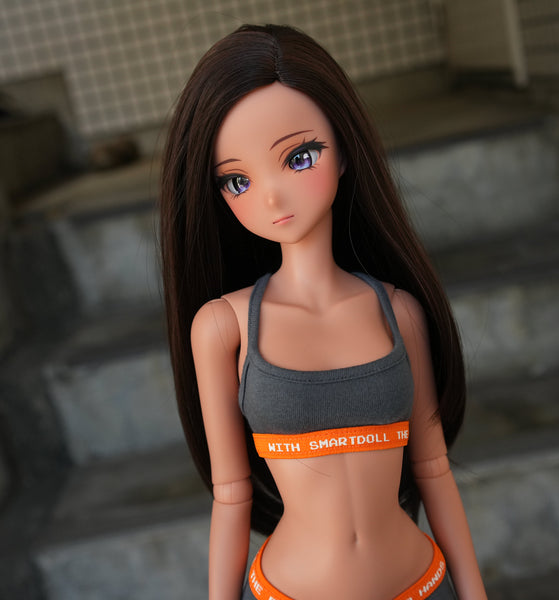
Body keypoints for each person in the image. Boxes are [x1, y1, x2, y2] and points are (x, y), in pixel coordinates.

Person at [160, 23, 487, 600]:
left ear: (344, 150)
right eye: (237, 180)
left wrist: (474, 592)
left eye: (299, 157)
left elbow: (433, 468)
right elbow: (231, 496)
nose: (271, 196)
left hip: (421, 583)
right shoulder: (222, 327)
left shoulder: (398, 312)